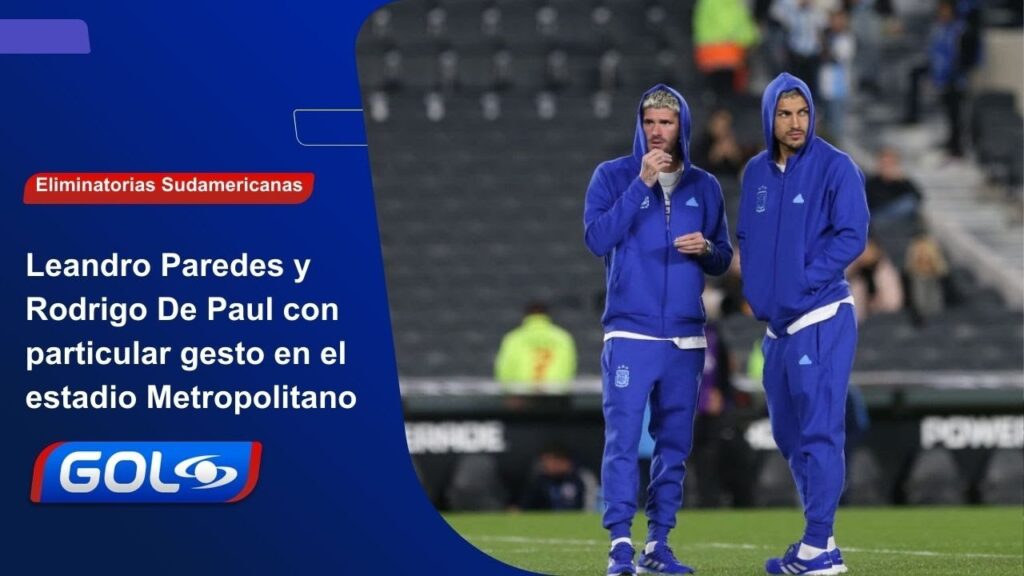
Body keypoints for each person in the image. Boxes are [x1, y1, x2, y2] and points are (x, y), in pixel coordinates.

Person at [584, 85, 733, 576]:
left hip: (687, 338)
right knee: (622, 440)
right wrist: (640, 186)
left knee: (674, 446)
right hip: (630, 332)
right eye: (649, 121)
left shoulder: (705, 186)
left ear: (682, 127)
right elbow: (598, 238)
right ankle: (620, 546)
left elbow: (723, 259)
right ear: (640, 124)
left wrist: (706, 248)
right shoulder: (612, 176)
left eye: (666, 122)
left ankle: (659, 543)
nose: (657, 130)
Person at [737, 73, 868, 575]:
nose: (795, 123)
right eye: (784, 114)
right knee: (790, 435)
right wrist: (759, 292)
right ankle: (823, 544)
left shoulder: (836, 166)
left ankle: (817, 545)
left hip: (822, 315)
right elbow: (748, 234)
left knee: (820, 431)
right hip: (776, 328)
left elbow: (853, 234)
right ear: (769, 117)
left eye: (802, 113)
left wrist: (801, 282)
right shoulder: (755, 172)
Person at [494, 301, 577, 394]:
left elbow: (505, 369)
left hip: (521, 395)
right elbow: (570, 366)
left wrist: (507, 391)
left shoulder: (514, 338)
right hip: (556, 395)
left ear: (526, 315)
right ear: (547, 316)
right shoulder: (563, 337)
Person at [519, 445, 598, 511]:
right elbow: (527, 506)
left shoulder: (582, 477)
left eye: (552, 461)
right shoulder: (540, 480)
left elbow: (592, 506)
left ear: (564, 461)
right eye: (545, 462)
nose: (547, 465)